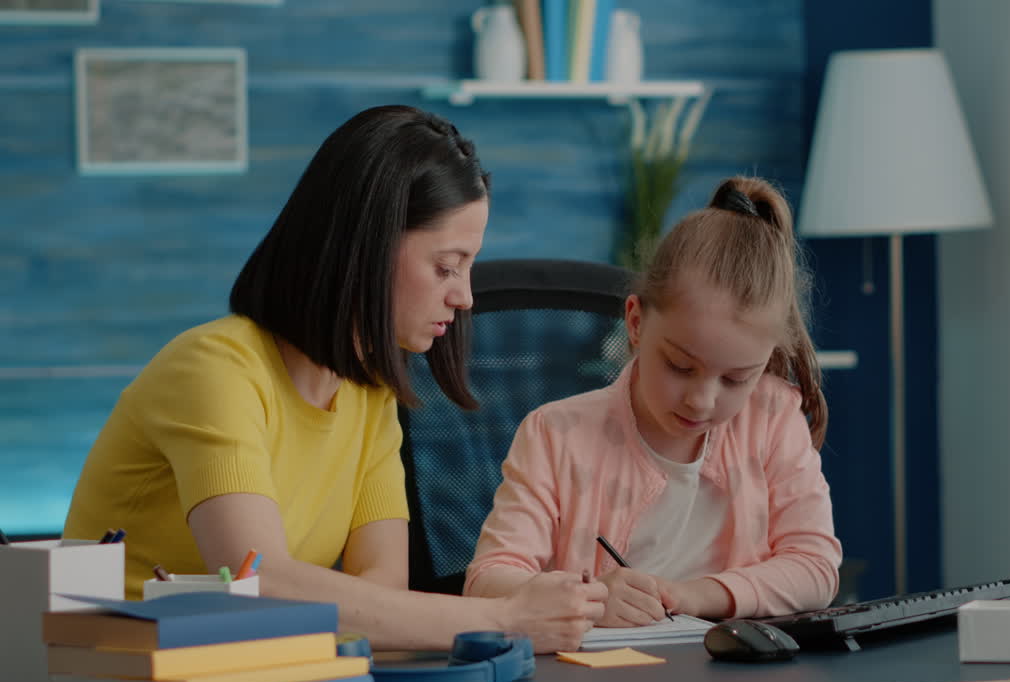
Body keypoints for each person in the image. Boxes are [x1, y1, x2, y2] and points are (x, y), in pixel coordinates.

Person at [63, 105, 606, 652]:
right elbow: (260, 582)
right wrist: (504, 619)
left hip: (251, 675)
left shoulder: (367, 395)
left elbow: (382, 591)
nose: (464, 296)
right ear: (366, 248)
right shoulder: (214, 371)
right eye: (446, 266)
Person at [464, 176, 842, 626]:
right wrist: (592, 598)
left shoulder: (773, 416)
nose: (702, 401)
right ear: (637, 322)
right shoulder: (555, 435)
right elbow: (487, 581)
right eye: (681, 367)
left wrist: (695, 596)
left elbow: (815, 568)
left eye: (737, 379)